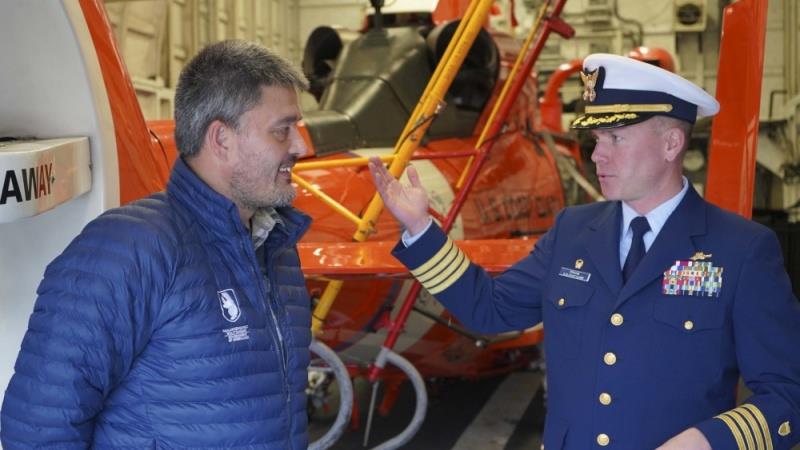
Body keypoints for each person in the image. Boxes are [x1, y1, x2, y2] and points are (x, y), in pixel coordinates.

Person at [369, 53, 800, 449]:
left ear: (671, 144)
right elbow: (490, 309)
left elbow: (787, 394)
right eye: (596, 137)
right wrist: (419, 229)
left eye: (615, 136)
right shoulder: (572, 231)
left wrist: (708, 442)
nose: (597, 155)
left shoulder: (741, 250)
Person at [1, 40, 312, 448]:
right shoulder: (128, 249)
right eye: (281, 130)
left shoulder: (276, 247)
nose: (300, 147)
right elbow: (38, 428)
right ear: (221, 139)